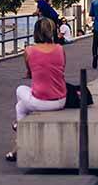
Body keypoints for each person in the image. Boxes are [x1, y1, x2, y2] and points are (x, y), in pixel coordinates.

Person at [6, 18, 67, 162]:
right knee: (20, 106)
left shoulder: (29, 51)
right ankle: (18, 140)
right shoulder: (60, 49)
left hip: (42, 101)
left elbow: (29, 73)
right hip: (61, 99)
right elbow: (61, 69)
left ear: (35, 32)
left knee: (20, 90)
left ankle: (19, 140)